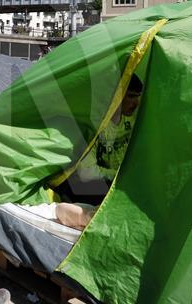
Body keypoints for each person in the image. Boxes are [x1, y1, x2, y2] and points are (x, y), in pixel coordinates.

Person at [52, 74, 144, 228]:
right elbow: (86, 173)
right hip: (83, 183)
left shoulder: (130, 122)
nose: (136, 103)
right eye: (130, 97)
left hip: (111, 178)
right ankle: (78, 214)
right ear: (116, 96)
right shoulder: (94, 124)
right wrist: (118, 177)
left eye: (138, 97)